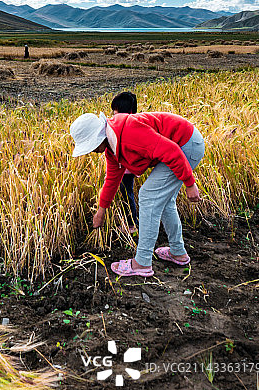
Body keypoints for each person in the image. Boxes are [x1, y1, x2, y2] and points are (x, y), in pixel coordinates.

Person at [70, 109, 204, 277]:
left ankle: (142, 263)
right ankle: (178, 252)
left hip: (186, 145)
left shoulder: (128, 133)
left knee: (148, 196)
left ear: (98, 137)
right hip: (183, 145)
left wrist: (190, 184)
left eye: (90, 146)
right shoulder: (112, 146)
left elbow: (171, 151)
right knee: (164, 200)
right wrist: (101, 210)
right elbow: (112, 179)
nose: (91, 151)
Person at [110, 91, 138, 232]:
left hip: (126, 169)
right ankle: (131, 222)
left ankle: (131, 224)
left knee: (127, 194)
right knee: (126, 194)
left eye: (115, 113)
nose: (114, 117)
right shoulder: (131, 123)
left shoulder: (128, 126)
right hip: (125, 168)